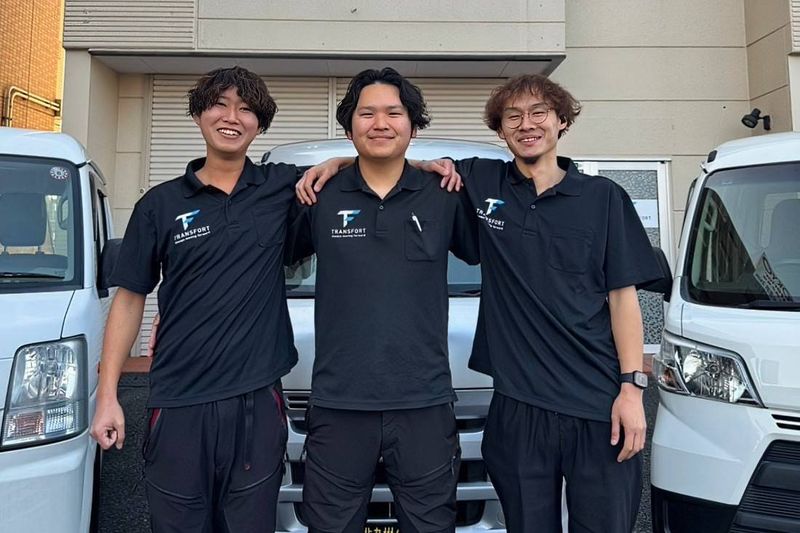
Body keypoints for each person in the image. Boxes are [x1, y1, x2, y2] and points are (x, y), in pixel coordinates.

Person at [299, 74, 662, 532]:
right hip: (516, 403)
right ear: (500, 129)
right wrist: (338, 162)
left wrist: (631, 388)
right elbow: (404, 160)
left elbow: (623, 297)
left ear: (562, 121)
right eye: (513, 117)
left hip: (595, 398)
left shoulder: (601, 197)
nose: (527, 125)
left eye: (539, 114)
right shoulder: (480, 183)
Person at [89, 66, 353, 533]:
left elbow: (376, 161)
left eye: (246, 109)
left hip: (256, 402)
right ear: (198, 114)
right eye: (220, 104)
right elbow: (130, 299)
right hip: (178, 402)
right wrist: (108, 396)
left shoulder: (280, 187)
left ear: (259, 124)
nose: (232, 117)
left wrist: (337, 163)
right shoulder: (160, 204)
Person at [285, 67, 479, 533]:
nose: (380, 124)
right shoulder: (318, 194)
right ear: (349, 126)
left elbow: (500, 241)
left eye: (394, 113)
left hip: (424, 401)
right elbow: (257, 253)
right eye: (366, 113)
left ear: (413, 125)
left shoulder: (445, 193)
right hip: (338, 402)